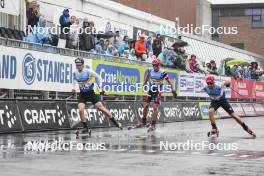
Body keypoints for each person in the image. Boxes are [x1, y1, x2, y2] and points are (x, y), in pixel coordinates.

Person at [72, 58, 123, 134]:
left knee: (100, 108)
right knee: (80, 110)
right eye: (77, 65)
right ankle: (85, 127)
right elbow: (74, 81)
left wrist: (101, 87)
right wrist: (74, 88)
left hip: (90, 93)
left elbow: (98, 77)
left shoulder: (88, 71)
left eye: (79, 65)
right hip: (82, 93)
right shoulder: (75, 73)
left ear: (83, 65)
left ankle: (116, 122)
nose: (78, 66)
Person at [130, 59, 177, 132]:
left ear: (159, 65)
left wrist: (173, 89)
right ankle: (143, 123)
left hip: (158, 91)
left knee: (155, 108)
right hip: (150, 89)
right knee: (145, 106)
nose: (154, 67)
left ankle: (153, 125)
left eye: (156, 65)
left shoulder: (163, 72)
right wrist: (144, 85)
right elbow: (147, 77)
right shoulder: (150, 70)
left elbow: (169, 81)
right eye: (153, 65)